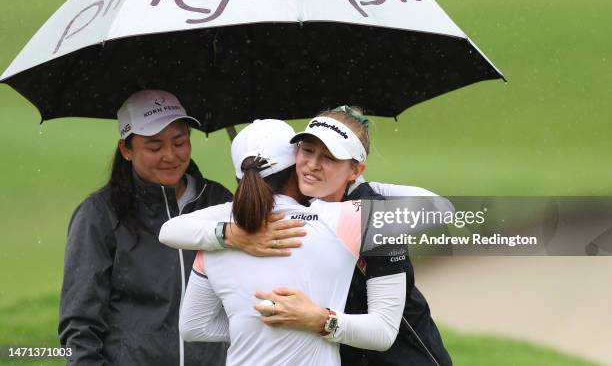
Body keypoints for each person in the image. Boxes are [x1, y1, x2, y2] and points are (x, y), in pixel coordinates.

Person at [160, 107, 453, 366]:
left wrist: (276, 321)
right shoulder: (347, 219)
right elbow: (442, 210)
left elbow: (442, 209)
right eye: (307, 151)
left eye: (328, 157)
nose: (313, 164)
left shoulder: (366, 218)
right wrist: (235, 236)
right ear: (292, 158)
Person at [58, 90, 238, 366]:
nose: (170, 156)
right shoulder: (99, 214)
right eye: (154, 147)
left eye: (180, 142)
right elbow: (79, 321)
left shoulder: (218, 201)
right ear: (126, 150)